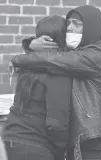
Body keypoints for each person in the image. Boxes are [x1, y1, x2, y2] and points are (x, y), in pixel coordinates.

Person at [11, 5, 101, 160]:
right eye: (68, 24)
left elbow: (51, 59)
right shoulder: (74, 52)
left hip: (93, 140)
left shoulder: (99, 56)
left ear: (91, 28)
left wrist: (17, 59)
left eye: (77, 24)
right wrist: (31, 44)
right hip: (76, 141)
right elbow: (54, 50)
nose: (70, 28)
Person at [2, 15, 71, 160]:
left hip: (10, 140)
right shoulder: (58, 72)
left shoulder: (27, 66)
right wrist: (62, 151)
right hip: (36, 147)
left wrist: (30, 45)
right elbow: (57, 124)